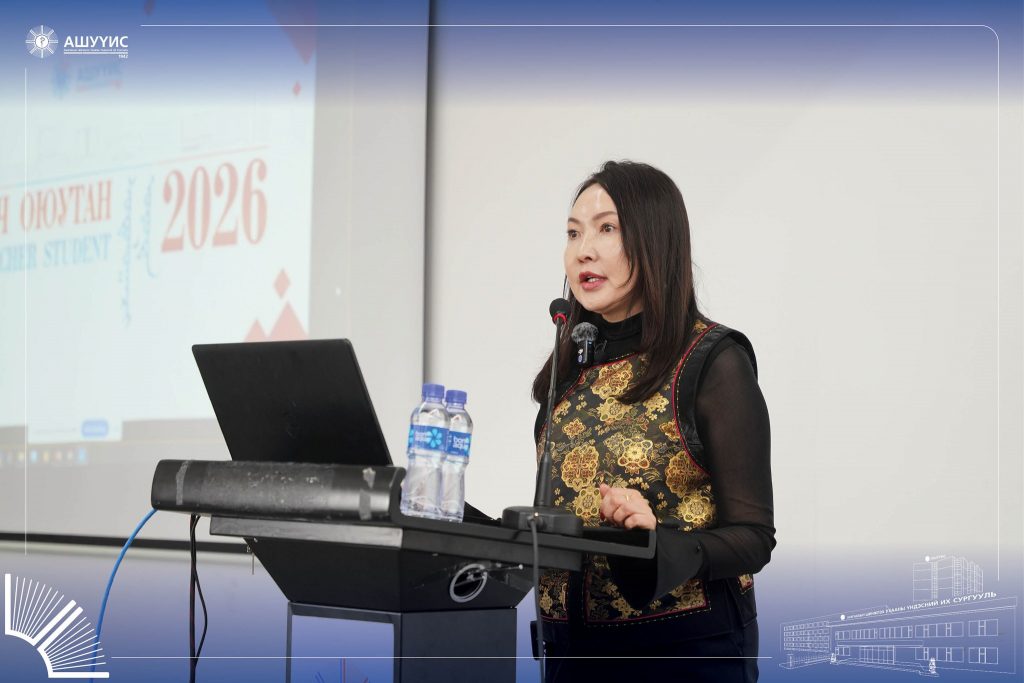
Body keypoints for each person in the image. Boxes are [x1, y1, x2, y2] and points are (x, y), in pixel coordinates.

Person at [531, 160, 775, 682]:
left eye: (606, 229)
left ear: (654, 240)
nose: (583, 251)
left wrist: (653, 541)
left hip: (683, 657)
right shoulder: (570, 371)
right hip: (571, 657)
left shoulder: (713, 361)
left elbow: (754, 537)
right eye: (573, 233)